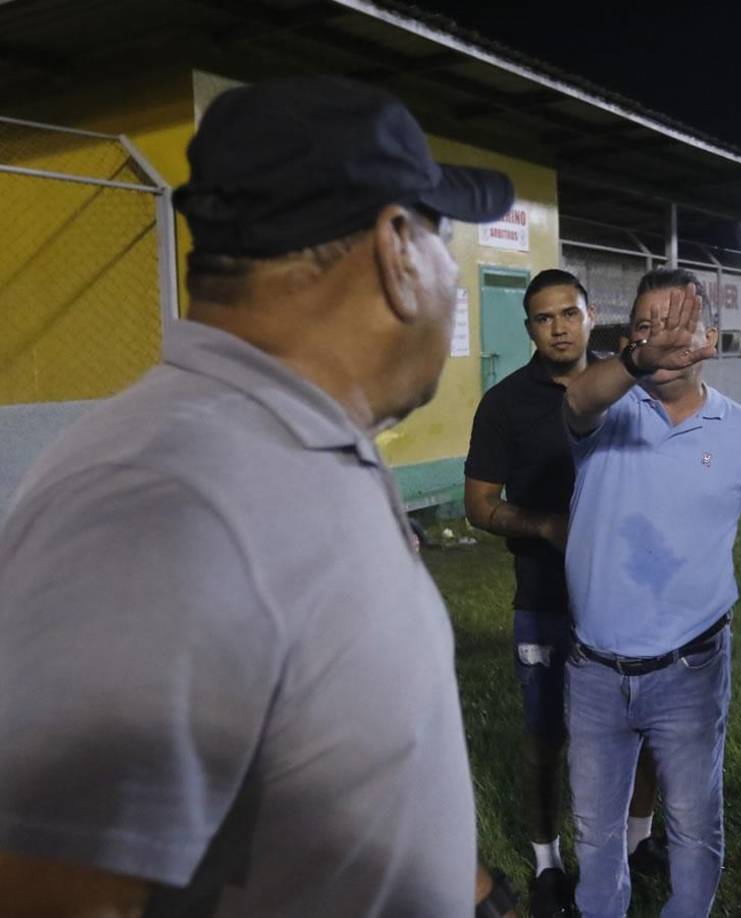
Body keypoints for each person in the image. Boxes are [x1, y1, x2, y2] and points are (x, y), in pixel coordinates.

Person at [0, 76, 519, 917]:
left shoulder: (287, 450)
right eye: (442, 234)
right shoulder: (167, 500)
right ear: (396, 248)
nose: (450, 277)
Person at [561, 268, 741, 917]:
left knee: (694, 827)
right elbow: (577, 400)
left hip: (690, 672)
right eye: (644, 329)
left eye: (676, 326)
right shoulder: (608, 413)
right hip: (594, 673)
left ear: (707, 339)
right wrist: (636, 361)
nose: (661, 339)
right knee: (596, 833)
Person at [464, 269, 663, 917]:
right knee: (544, 735)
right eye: (543, 318)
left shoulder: (627, 388)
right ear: (529, 329)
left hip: (627, 598)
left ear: (589, 315)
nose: (558, 327)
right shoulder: (505, 405)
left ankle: (638, 843)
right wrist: (546, 525)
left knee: (641, 729)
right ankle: (549, 864)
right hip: (545, 598)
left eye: (568, 314)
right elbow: (480, 505)